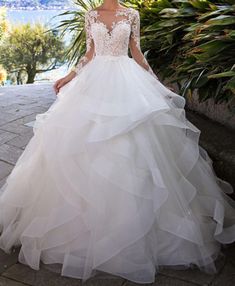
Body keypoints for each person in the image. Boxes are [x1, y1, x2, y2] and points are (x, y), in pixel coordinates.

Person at [0, 0, 235, 284]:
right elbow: (89, 53)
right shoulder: (91, 15)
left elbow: (136, 52)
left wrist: (158, 86)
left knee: (134, 145)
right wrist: (68, 76)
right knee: (82, 143)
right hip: (95, 83)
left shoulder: (131, 14)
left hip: (127, 81)